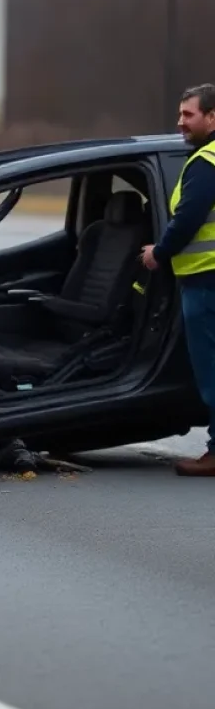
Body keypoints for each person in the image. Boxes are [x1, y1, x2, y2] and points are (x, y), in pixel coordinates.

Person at [142, 83, 215, 475]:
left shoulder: (206, 162)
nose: (180, 122)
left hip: (205, 283)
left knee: (212, 372)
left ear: (212, 117)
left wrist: (159, 253)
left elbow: (187, 219)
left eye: (188, 115)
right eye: (180, 114)